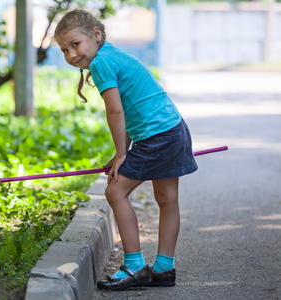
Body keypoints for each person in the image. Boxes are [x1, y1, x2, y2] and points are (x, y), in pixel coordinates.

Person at [54, 9, 198, 290]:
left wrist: (122, 154)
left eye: (75, 44)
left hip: (157, 136)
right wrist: (123, 150)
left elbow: (116, 111)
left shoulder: (102, 63)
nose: (71, 54)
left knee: (115, 191)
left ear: (95, 35)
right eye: (64, 50)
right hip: (173, 128)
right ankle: (164, 268)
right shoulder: (112, 54)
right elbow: (135, 110)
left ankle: (134, 267)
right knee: (168, 198)